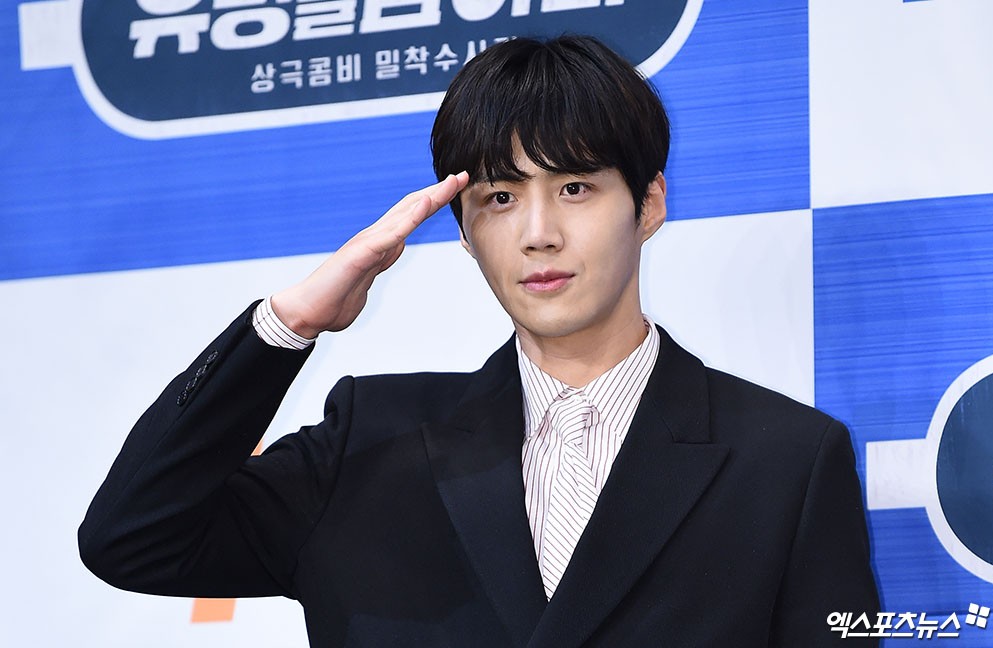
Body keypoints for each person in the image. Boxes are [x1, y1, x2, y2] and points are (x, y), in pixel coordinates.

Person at [79, 35, 881, 647]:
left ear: (649, 204)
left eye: (575, 187)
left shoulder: (787, 460)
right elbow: (131, 539)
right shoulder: (370, 442)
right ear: (464, 231)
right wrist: (288, 325)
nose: (538, 233)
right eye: (500, 197)